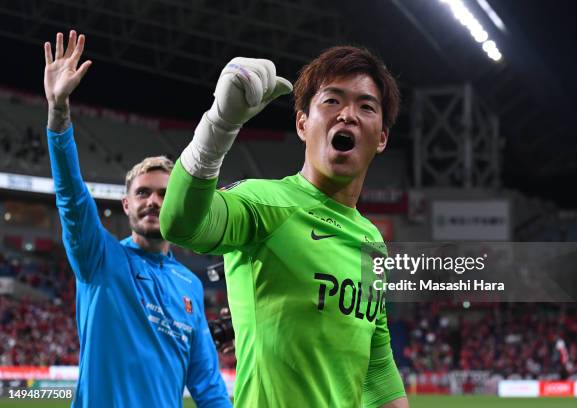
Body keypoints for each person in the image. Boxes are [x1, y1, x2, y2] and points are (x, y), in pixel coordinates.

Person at [160, 47, 409, 407]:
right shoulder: (266, 203)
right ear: (302, 124)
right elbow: (181, 225)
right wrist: (220, 123)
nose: (348, 115)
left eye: (366, 106)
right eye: (332, 100)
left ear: (381, 138)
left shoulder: (372, 242)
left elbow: (377, 368)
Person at [44, 30, 231, 408]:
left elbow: (208, 386)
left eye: (164, 193)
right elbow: (71, 197)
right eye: (142, 193)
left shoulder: (190, 286)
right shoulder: (99, 259)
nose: (153, 201)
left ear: (177, 203)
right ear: (127, 206)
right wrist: (59, 113)